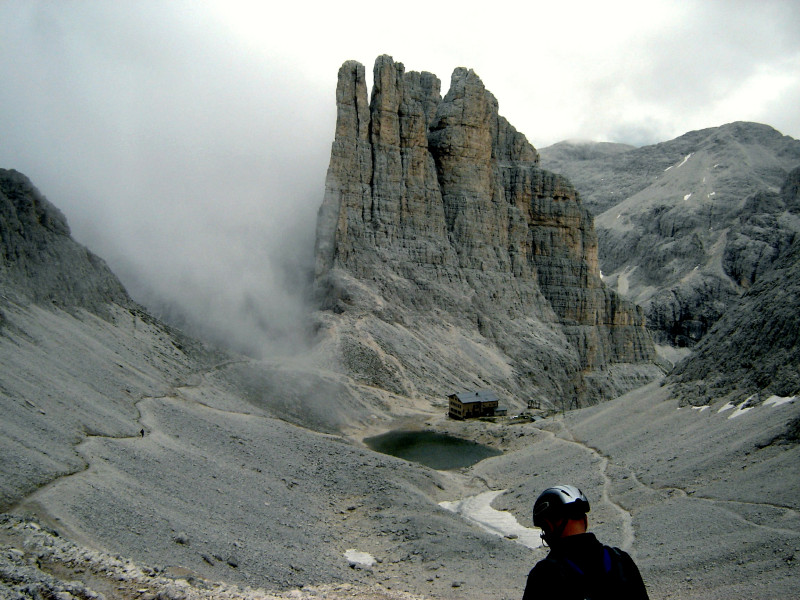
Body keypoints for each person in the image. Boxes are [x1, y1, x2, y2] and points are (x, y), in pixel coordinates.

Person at [522, 485, 649, 600]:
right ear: (586, 521)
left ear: (549, 525)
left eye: (544, 528)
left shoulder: (544, 574)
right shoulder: (621, 560)